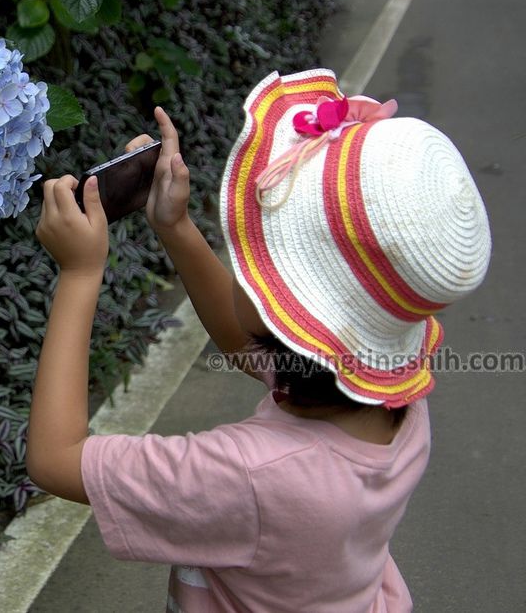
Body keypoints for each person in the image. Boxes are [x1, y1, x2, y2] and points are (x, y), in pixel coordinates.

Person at [28, 68, 491, 612]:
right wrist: (173, 225)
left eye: (259, 253)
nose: (244, 258)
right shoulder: (394, 405)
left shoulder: (250, 477)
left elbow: (55, 459)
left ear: (291, 315)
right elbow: (248, 344)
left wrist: (81, 274)